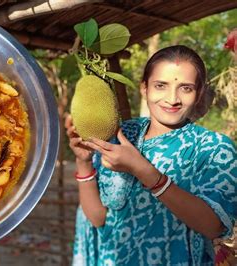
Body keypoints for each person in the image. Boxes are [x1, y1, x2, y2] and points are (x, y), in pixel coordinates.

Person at [66, 45, 236, 265]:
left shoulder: (213, 149)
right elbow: (98, 218)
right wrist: (83, 161)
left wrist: (144, 171)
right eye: (160, 86)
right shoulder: (121, 134)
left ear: (199, 92)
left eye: (185, 88)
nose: (172, 98)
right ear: (144, 88)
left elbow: (215, 226)